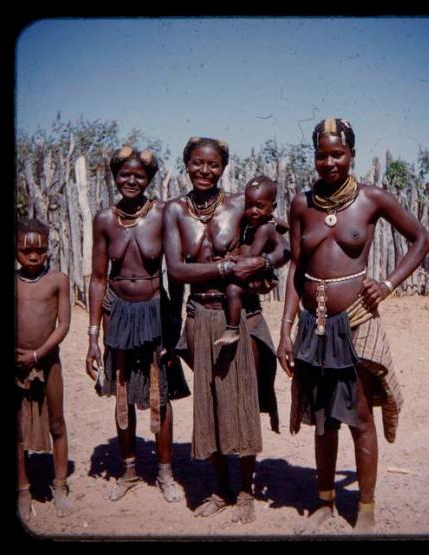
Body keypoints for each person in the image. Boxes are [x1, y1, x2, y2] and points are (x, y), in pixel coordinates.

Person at [277, 118, 429, 533]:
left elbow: (422, 238)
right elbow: (296, 267)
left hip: (357, 321)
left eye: (337, 154)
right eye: (321, 155)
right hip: (313, 323)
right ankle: (325, 502)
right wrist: (285, 328)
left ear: (352, 155)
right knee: (323, 416)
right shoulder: (301, 204)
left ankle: (365, 508)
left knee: (360, 415)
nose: (328, 163)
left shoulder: (371, 199)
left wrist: (388, 284)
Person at [164, 137, 289, 524]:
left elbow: (285, 245)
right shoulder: (173, 211)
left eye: (213, 164)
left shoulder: (242, 204)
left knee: (243, 400)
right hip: (200, 314)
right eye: (198, 163)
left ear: (223, 167)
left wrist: (263, 263)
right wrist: (226, 269)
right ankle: (220, 488)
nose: (205, 170)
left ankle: (246, 492)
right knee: (211, 402)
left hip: (241, 315)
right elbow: (177, 271)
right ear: (186, 163)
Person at [85, 146, 189, 504]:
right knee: (122, 389)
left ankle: (165, 472)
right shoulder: (103, 220)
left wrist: (173, 327)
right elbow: (98, 278)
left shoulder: (162, 215)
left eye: (139, 176)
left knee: (161, 393)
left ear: (149, 180)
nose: (131, 181)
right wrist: (93, 336)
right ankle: (128, 470)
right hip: (118, 311)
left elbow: (175, 275)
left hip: (154, 310)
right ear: (114, 177)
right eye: (124, 175)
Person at [16, 219, 73, 521]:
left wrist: (38, 354)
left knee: (57, 423)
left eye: (40, 250)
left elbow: (63, 324)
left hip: (48, 362)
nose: (34, 257)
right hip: (16, 365)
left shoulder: (58, 280)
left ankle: (60, 485)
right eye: (26, 252)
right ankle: (23, 489)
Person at [215, 175, 280, 347]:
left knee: (233, 290)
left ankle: (233, 328)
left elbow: (253, 256)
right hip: (249, 271)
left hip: (255, 273)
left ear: (272, 207)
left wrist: (233, 258)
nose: (253, 211)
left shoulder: (264, 229)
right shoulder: (253, 224)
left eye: (259, 206)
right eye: (249, 206)